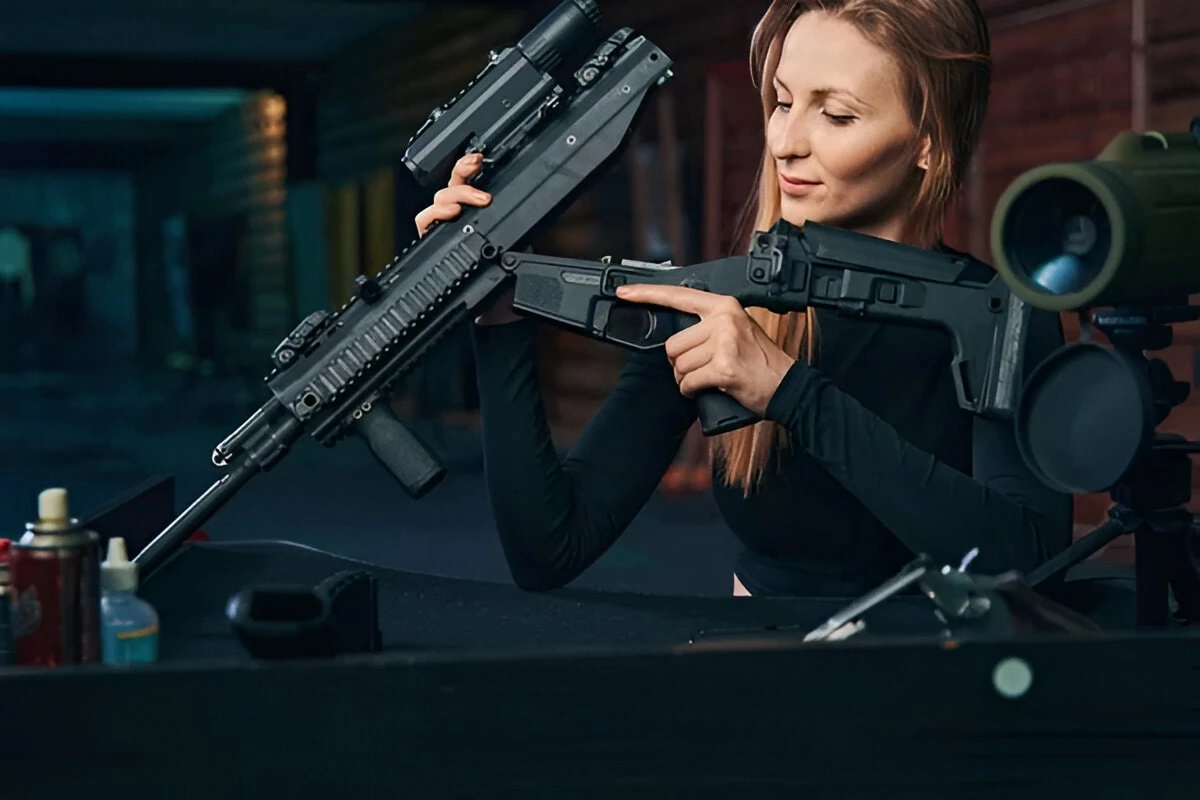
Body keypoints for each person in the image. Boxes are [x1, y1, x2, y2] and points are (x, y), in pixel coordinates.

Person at [414, 0, 1073, 597]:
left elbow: (1026, 560)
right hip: (758, 676)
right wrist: (493, 309)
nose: (785, 142)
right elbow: (549, 550)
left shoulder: (999, 318)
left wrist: (791, 393)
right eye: (783, 103)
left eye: (837, 114)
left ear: (929, 142)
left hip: (941, 685)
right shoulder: (717, 305)